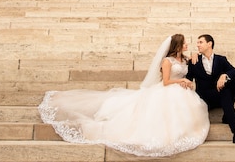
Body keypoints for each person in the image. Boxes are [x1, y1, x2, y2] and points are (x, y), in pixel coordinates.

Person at [38, 34, 210, 157]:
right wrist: (181, 82)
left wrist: (188, 74)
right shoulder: (167, 61)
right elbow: (165, 81)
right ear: (178, 45)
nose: (188, 44)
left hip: (183, 92)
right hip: (169, 90)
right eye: (185, 43)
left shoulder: (185, 59)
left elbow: (192, 67)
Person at [187, 34, 235, 146]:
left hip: (219, 94)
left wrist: (224, 75)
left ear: (209, 44)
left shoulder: (221, 59)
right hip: (204, 97)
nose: (197, 45)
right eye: (197, 42)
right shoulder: (194, 61)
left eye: (200, 42)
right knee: (226, 92)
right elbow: (188, 79)